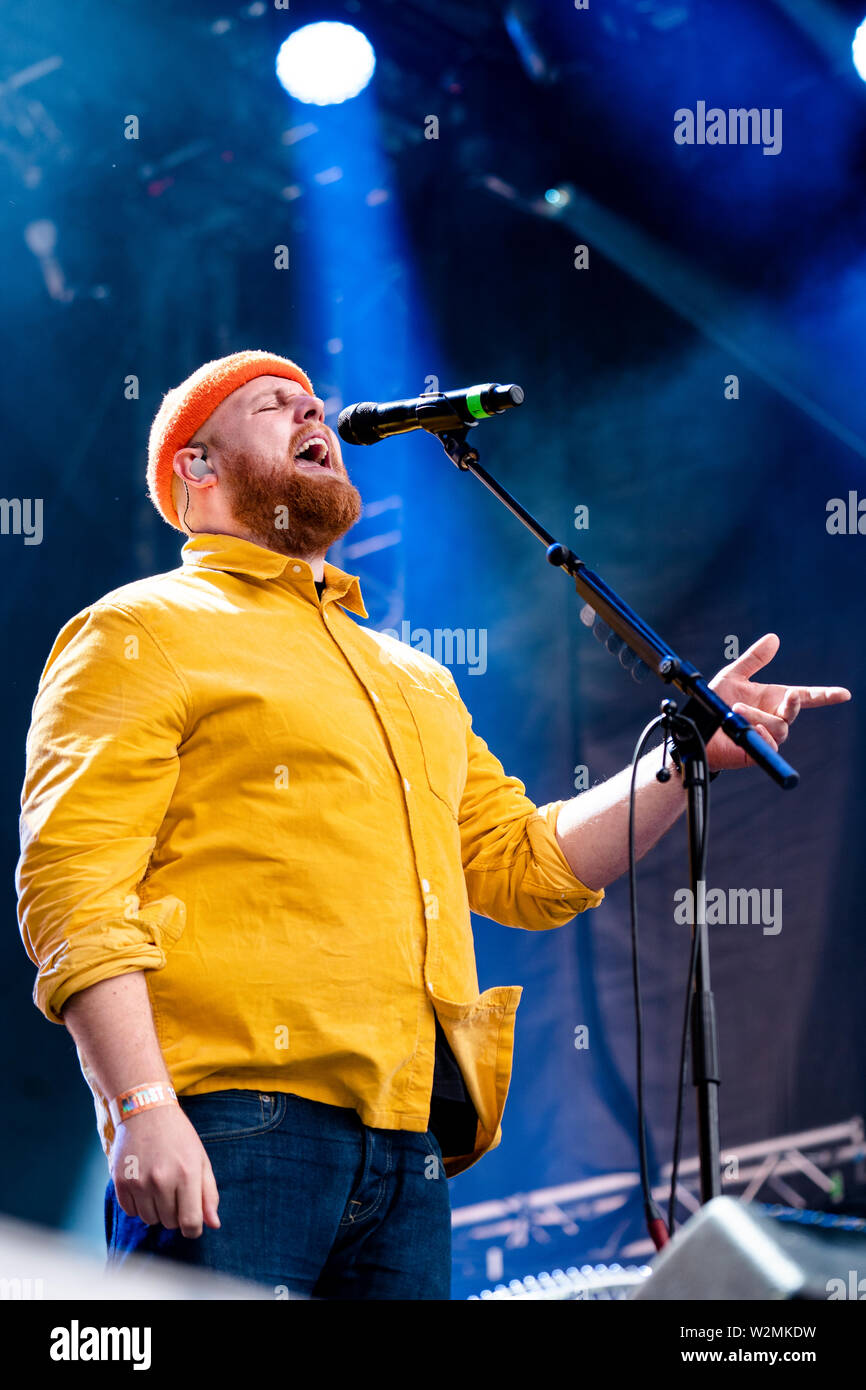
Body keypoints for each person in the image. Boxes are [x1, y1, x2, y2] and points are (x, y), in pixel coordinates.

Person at [15, 349, 851, 1301]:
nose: (311, 414)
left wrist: (678, 755)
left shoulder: (412, 677)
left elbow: (526, 866)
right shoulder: (141, 629)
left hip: (410, 1149)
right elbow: (72, 883)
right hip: (232, 1125)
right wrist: (141, 1105)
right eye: (273, 406)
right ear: (197, 466)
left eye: (313, 403)